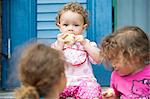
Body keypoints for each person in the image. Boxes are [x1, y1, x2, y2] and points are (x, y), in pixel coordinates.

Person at [52, 2, 102, 99]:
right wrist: (60, 46)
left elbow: (98, 59)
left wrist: (85, 44)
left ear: (84, 27)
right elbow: (52, 63)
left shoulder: (87, 44)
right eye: (66, 25)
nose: (70, 29)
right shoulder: (56, 45)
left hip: (84, 83)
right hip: (62, 82)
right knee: (49, 90)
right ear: (59, 26)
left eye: (76, 25)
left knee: (92, 90)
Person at [101, 26, 150, 99]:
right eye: (111, 60)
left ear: (135, 57)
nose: (113, 65)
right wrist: (112, 96)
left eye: (117, 60)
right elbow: (117, 95)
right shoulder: (116, 76)